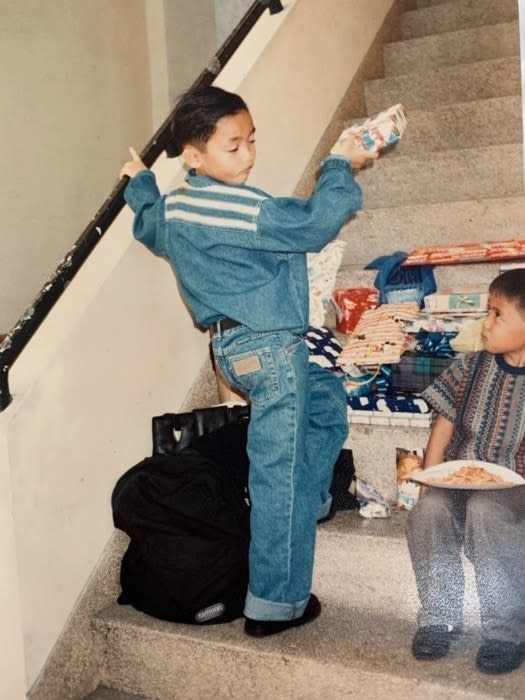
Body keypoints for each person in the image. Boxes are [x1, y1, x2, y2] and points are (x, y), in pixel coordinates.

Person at [119, 85, 377, 637]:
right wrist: (339, 164)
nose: (249, 156)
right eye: (233, 147)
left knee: (327, 399)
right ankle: (275, 605)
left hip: (241, 352)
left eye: (251, 141)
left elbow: (149, 226)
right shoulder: (236, 204)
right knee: (276, 475)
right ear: (194, 156)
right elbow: (312, 224)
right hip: (270, 349)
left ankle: (309, 505)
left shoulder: (176, 206)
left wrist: (139, 184)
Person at [406, 268, 525, 673]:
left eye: (497, 315)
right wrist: (428, 481)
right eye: (486, 313)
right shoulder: (471, 366)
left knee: (487, 513)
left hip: (516, 485)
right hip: (463, 475)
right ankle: (440, 617)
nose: (485, 324)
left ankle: (505, 631)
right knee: (429, 512)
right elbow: (442, 430)